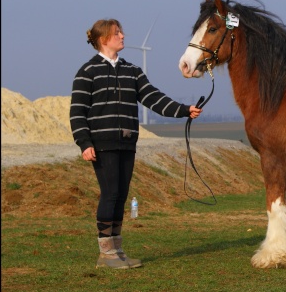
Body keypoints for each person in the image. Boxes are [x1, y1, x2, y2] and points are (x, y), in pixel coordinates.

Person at [70, 18, 202, 269]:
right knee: (110, 194)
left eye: (121, 32)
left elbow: (153, 98)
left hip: (127, 142)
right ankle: (106, 254)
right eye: (117, 33)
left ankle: (117, 251)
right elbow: (77, 112)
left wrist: (184, 110)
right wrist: (84, 142)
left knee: (120, 196)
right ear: (103, 39)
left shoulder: (132, 70)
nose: (122, 36)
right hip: (102, 144)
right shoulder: (87, 72)